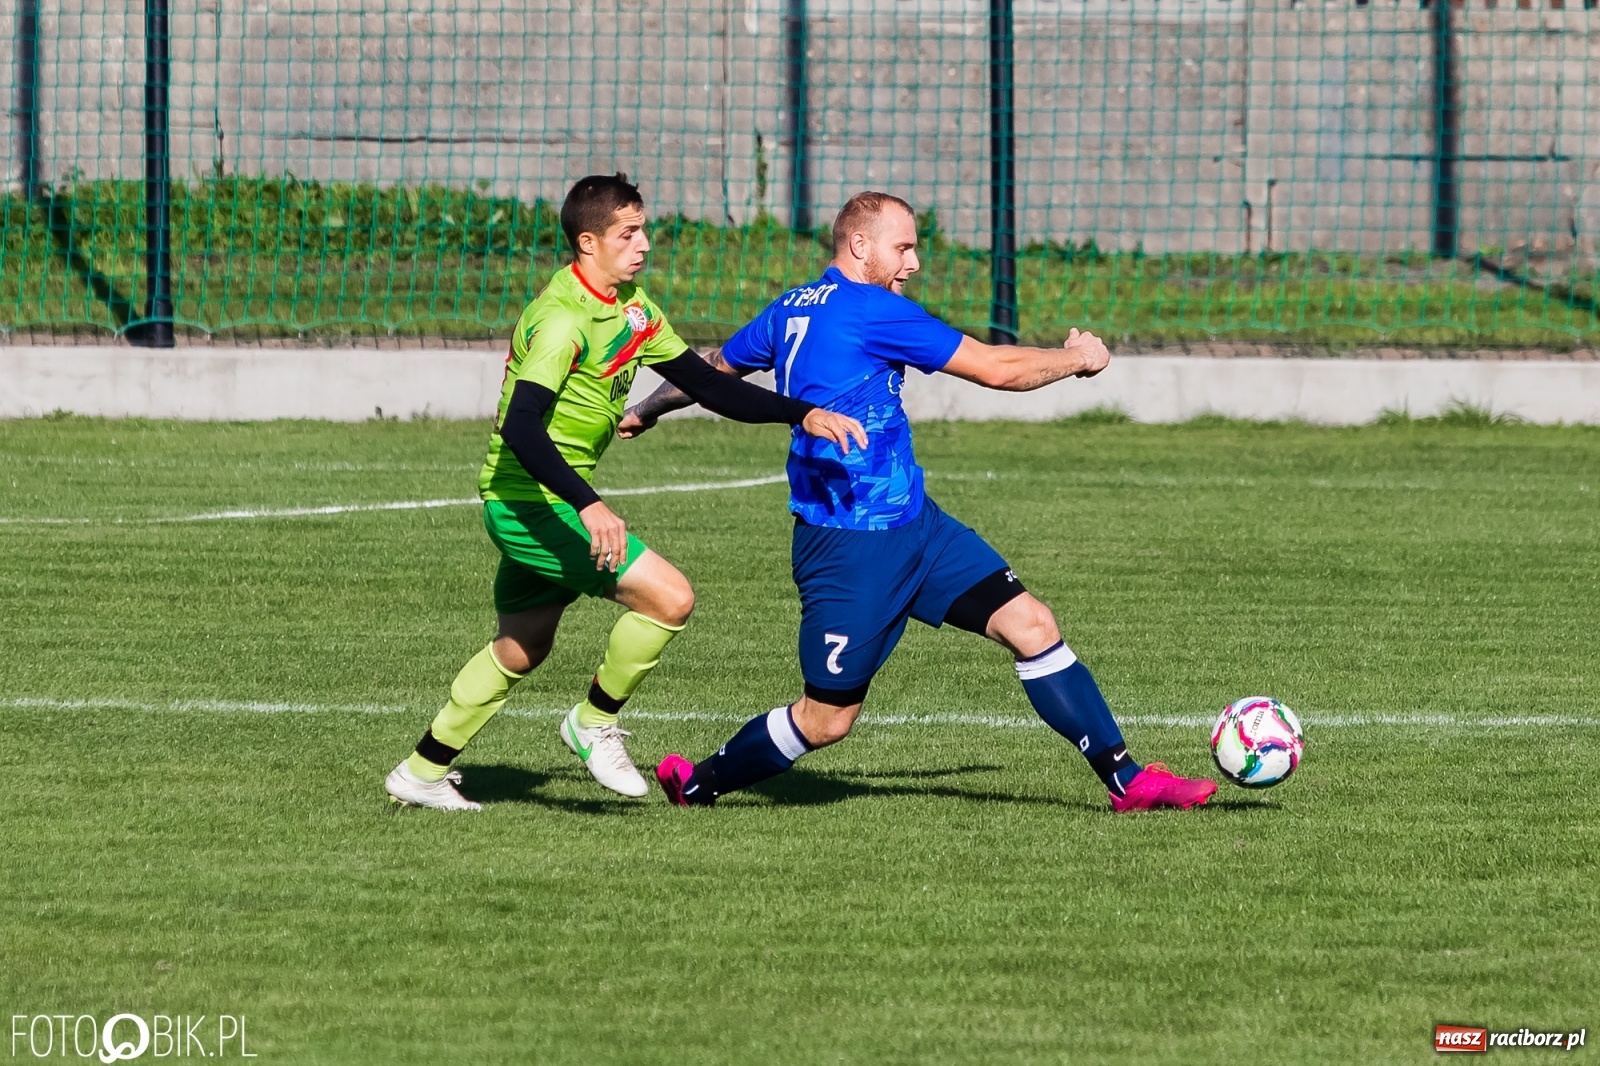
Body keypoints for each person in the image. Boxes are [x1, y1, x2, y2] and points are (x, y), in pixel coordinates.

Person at [620, 190, 1217, 812]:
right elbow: (994, 369)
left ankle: (1128, 782)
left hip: (918, 528)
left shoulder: (792, 306)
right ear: (860, 245)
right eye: (902, 247)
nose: (913, 263)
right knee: (826, 720)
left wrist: (648, 408)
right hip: (848, 546)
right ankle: (698, 784)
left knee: (1032, 623)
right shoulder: (874, 311)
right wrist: (1078, 358)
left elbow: (711, 367)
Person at [383, 174, 865, 811]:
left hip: (546, 497)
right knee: (670, 598)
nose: (642, 245)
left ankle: (420, 771)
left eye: (643, 230)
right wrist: (589, 504)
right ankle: (592, 721)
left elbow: (707, 382)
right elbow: (520, 427)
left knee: (522, 646)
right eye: (627, 234)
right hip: (530, 501)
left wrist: (797, 412)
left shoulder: (632, 307)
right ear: (589, 242)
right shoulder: (562, 321)